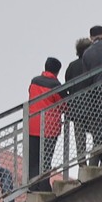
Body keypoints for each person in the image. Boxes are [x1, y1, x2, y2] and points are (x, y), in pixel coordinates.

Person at [26, 57, 65, 187]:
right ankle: (43, 186)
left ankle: (31, 186)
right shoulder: (56, 86)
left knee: (33, 159)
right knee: (45, 159)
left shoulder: (34, 81)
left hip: (32, 125)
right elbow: (64, 105)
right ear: (57, 71)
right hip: (49, 128)